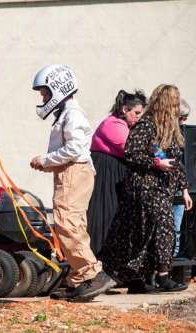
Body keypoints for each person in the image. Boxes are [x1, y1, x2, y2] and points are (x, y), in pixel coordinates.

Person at [29, 64, 116, 301]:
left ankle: (91, 272)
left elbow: (75, 148)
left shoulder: (73, 114)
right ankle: (78, 278)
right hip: (71, 171)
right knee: (73, 224)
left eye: (45, 92)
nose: (43, 97)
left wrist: (45, 160)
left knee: (66, 222)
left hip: (74, 172)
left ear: (58, 89)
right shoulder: (66, 113)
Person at [100, 84, 192, 293]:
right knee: (163, 227)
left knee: (145, 234)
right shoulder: (146, 126)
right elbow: (131, 154)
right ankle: (162, 275)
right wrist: (156, 163)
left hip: (163, 188)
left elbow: (177, 162)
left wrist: (184, 189)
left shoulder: (171, 131)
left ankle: (137, 279)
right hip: (145, 186)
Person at [87, 90, 147, 254]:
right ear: (124, 110)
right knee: (104, 214)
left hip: (115, 171)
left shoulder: (124, 126)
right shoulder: (112, 125)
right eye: (136, 113)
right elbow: (132, 148)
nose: (138, 117)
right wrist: (156, 159)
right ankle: (97, 259)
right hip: (106, 172)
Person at [172, 98, 191, 257]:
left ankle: (171, 262)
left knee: (176, 228)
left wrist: (184, 190)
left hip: (178, 188)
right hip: (164, 188)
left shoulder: (181, 136)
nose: (183, 122)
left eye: (186, 119)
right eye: (181, 118)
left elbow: (181, 165)